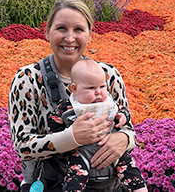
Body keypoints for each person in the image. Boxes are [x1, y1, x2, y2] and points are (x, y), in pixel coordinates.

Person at [8, 0, 148, 192]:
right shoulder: (28, 79)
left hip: (106, 183)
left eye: (79, 30)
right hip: (52, 183)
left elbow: (128, 127)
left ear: (90, 35)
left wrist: (124, 139)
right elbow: (22, 146)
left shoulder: (108, 75)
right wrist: (71, 137)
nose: (70, 38)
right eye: (61, 28)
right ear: (47, 32)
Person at [47, 58, 134, 191]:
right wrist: (64, 135)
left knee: (129, 168)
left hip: (110, 146)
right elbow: (54, 120)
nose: (98, 92)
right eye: (91, 88)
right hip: (80, 151)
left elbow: (122, 110)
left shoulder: (108, 103)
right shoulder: (69, 106)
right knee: (76, 174)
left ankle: (139, 188)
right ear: (74, 89)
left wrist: (122, 117)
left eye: (102, 86)